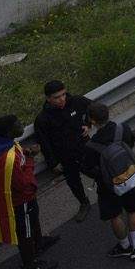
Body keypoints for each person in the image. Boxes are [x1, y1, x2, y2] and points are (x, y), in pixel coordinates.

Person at [0, 114, 55, 269]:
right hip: (21, 200)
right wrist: (30, 159)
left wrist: (24, 152)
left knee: (32, 220)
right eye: (17, 124)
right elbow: (23, 184)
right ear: (8, 132)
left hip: (10, 198)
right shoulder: (9, 158)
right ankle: (30, 266)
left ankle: (39, 243)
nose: (21, 126)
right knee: (25, 231)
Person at [82, 100, 135, 258]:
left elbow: (87, 168)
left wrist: (104, 176)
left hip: (108, 185)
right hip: (129, 176)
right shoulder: (122, 128)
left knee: (115, 215)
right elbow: (130, 144)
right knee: (132, 209)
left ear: (93, 121)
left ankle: (124, 246)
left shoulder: (91, 146)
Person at [33, 79, 94, 223]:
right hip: (65, 157)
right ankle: (84, 203)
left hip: (84, 148)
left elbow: (93, 107)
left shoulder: (76, 101)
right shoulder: (43, 119)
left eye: (63, 94)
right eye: (57, 97)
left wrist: (88, 124)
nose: (62, 99)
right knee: (74, 182)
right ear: (48, 99)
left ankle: (109, 193)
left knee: (97, 171)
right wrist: (53, 163)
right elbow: (44, 143)